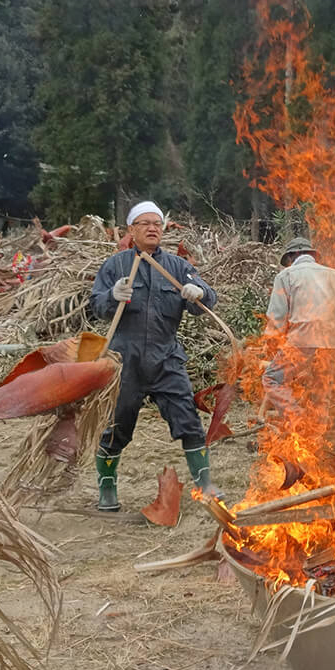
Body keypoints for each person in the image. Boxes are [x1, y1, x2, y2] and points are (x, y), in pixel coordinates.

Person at [89, 201, 220, 510]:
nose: (152, 228)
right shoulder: (116, 266)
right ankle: (107, 488)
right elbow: (96, 306)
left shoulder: (177, 267)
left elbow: (207, 299)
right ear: (131, 230)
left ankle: (205, 486)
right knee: (115, 427)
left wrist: (199, 293)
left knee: (189, 422)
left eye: (157, 224)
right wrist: (112, 296)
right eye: (145, 223)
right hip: (124, 360)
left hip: (166, 359)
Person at [261, 237, 335, 421]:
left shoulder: (286, 276)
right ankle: (316, 439)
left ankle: (296, 419)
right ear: (313, 255)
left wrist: (271, 345)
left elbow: (277, 319)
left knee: (271, 378)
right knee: (321, 396)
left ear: (292, 256)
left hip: (302, 341)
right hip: (332, 344)